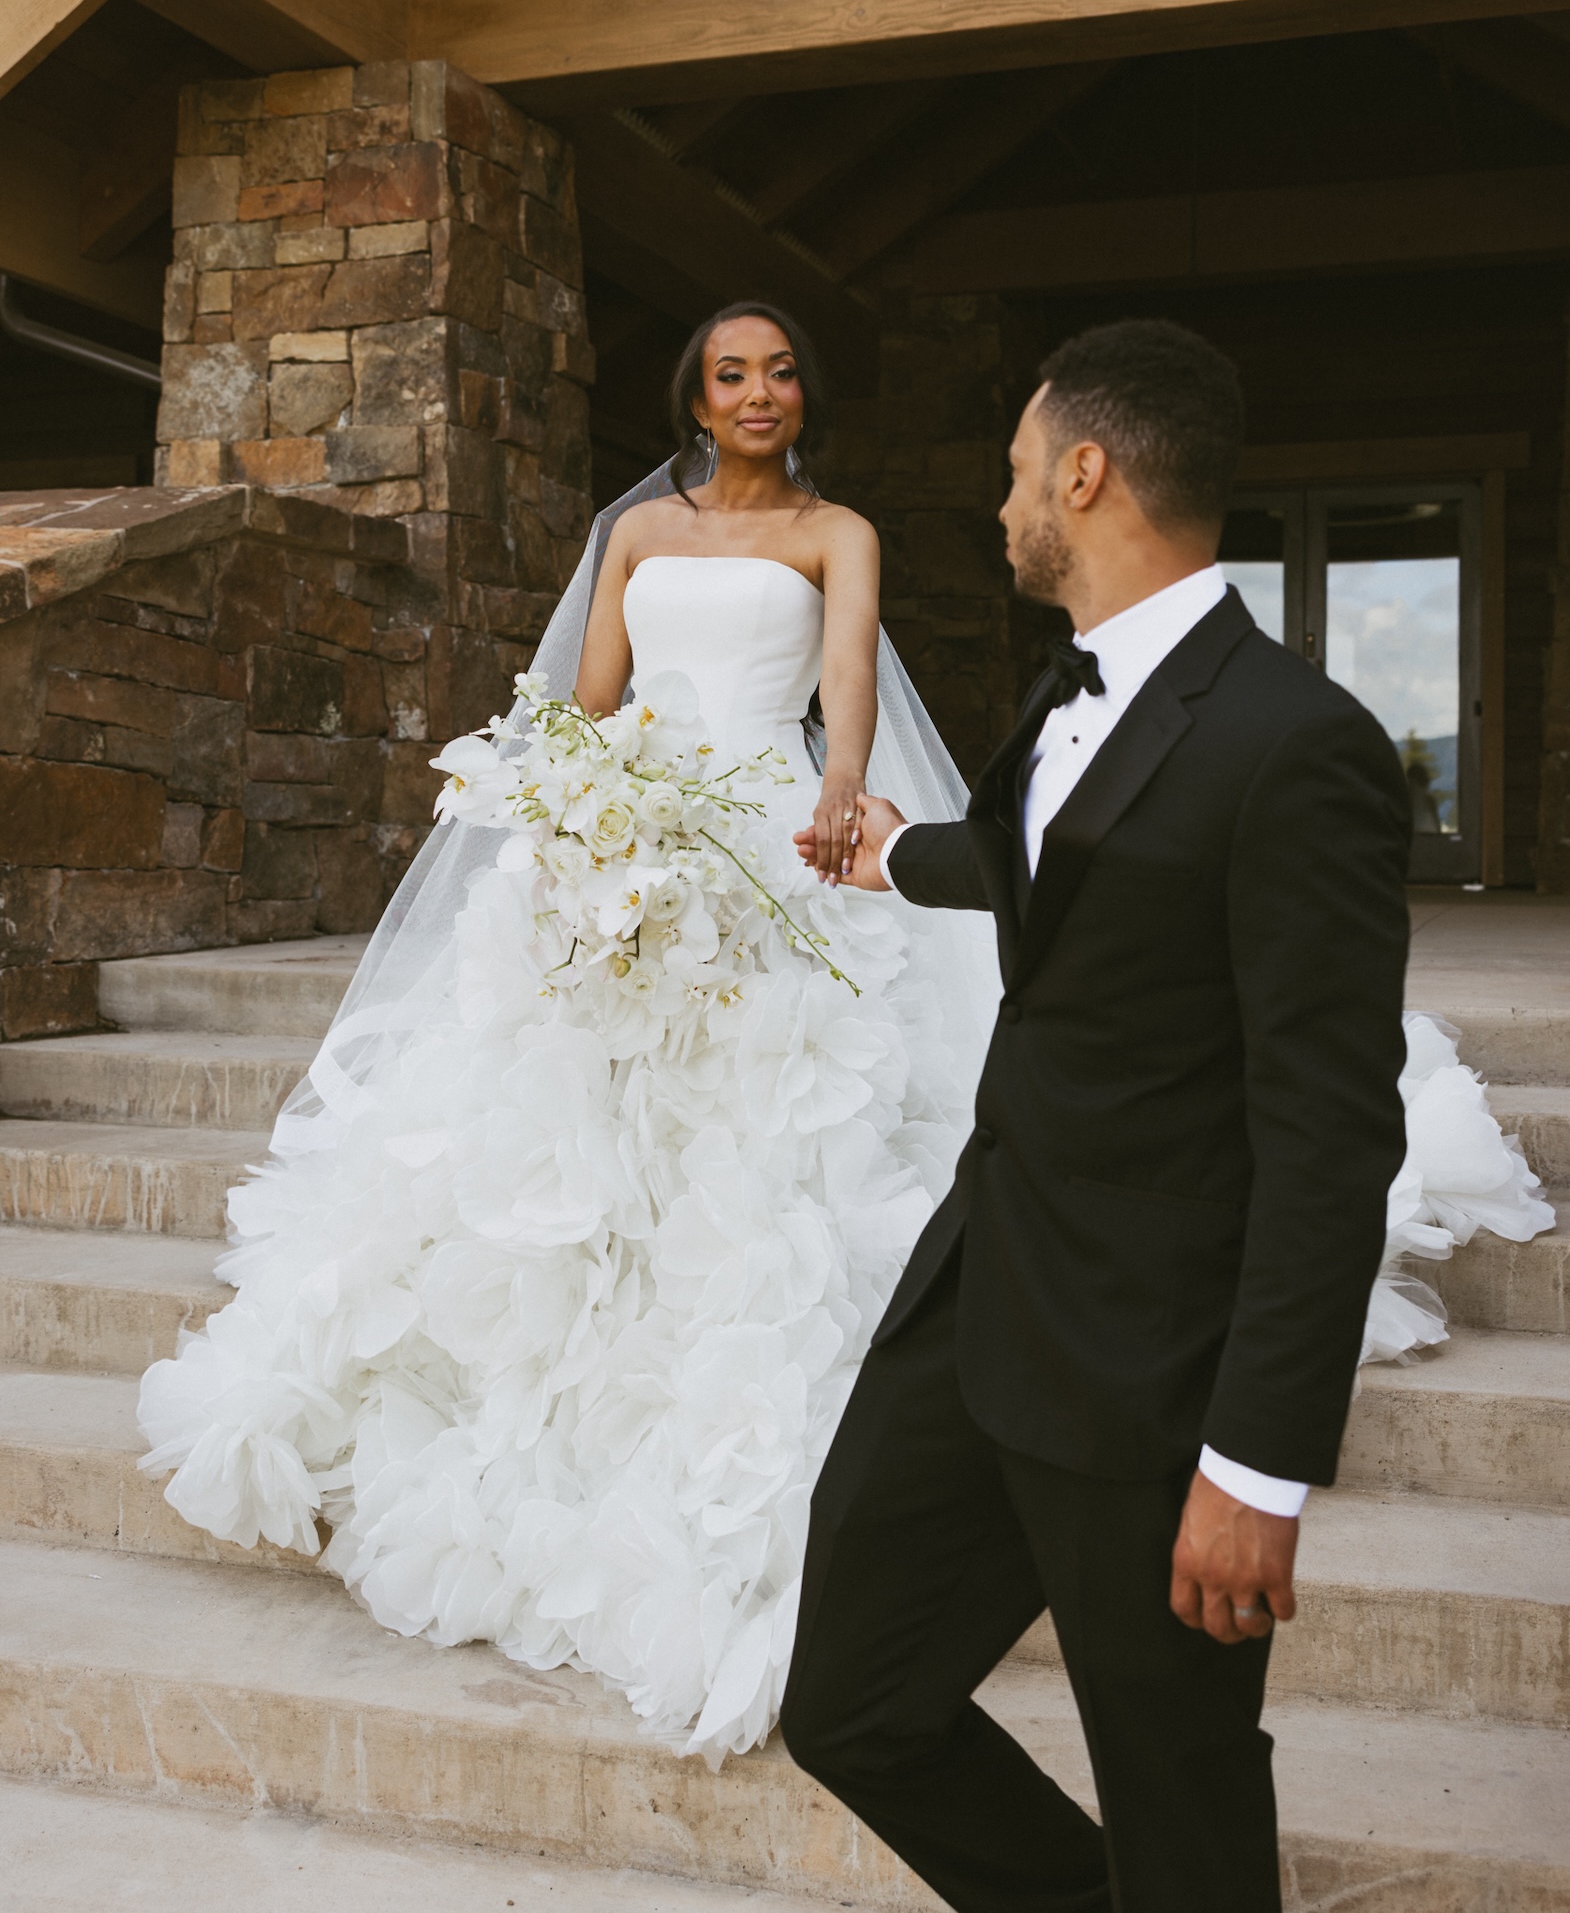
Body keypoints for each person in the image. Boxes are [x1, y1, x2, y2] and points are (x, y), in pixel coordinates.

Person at [136, 302, 1000, 1764]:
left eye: (782, 371)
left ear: (807, 394)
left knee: (751, 1132)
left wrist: (840, 796)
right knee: (565, 1127)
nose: (759, 392)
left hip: (757, 843)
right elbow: (590, 704)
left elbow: (842, 688)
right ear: (695, 392)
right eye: (732, 372)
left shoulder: (837, 532)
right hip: (623, 841)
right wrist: (561, 823)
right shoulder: (641, 536)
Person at [780, 318, 1414, 1913]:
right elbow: (1040, 861)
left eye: (1010, 470)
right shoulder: (1072, 693)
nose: (994, 506)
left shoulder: (1302, 748)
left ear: (1086, 474)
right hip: (983, 1304)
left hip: (1150, 1374)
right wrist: (892, 849)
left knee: (1187, 1799)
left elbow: (1328, 1135)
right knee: (849, 1700)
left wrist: (1257, 1465)